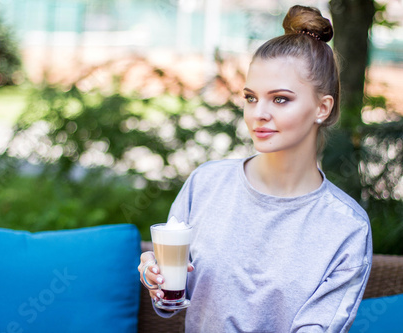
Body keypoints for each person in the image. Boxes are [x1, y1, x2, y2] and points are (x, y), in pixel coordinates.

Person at [138, 5, 372, 332]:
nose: (258, 113)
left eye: (279, 99)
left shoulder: (345, 228)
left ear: (322, 107)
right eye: (250, 97)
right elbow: (170, 304)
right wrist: (158, 281)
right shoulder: (205, 184)